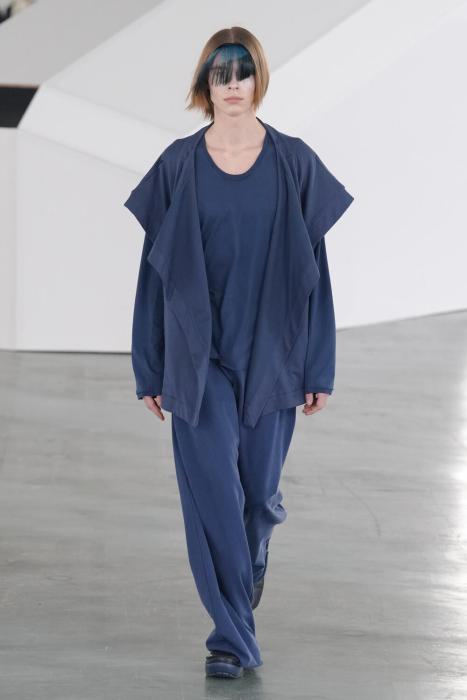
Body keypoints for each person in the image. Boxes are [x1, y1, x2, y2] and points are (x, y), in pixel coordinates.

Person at [124, 26, 354, 679]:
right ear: (205, 84)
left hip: (273, 355)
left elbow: (316, 276)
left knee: (255, 498)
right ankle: (230, 638)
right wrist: (149, 365)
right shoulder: (178, 166)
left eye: (242, 72)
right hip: (199, 361)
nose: (232, 86)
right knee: (214, 499)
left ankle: (250, 560)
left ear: (258, 79)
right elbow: (154, 276)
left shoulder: (293, 163)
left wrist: (319, 366)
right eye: (219, 74)